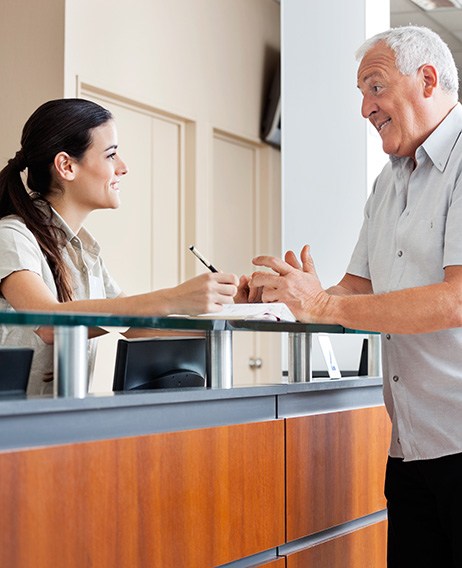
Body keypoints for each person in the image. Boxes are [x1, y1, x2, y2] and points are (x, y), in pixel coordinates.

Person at [250, 26, 462, 568]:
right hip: (411, 448)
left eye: (374, 87)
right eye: (362, 93)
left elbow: (456, 300)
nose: (364, 108)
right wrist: (286, 297)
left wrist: (324, 305)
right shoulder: (388, 181)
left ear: (428, 80)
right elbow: (353, 292)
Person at [0, 98, 239, 395]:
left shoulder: (84, 251)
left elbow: (134, 325)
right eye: (111, 155)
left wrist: (232, 309)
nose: (123, 167)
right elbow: (49, 323)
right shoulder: (11, 236)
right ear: (66, 165)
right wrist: (174, 297)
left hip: (55, 423)